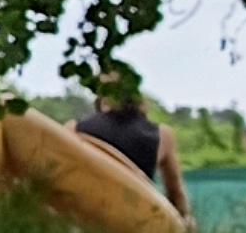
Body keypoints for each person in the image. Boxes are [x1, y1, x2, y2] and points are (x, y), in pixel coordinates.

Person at [70, 66, 193, 221]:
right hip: (136, 220)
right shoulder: (163, 135)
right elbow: (176, 194)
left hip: (87, 218)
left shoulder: (74, 130)